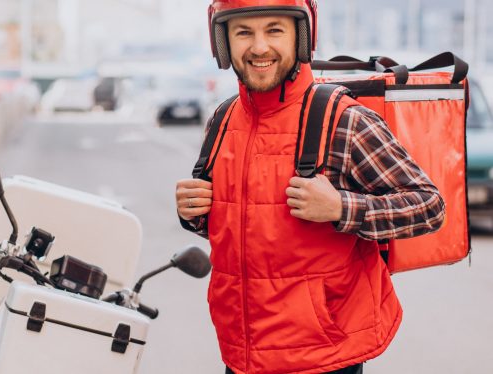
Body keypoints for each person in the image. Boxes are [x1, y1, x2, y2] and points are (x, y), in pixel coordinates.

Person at [175, 1, 445, 373]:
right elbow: (241, 229)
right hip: (241, 354)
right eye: (243, 32)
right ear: (222, 42)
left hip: (324, 357)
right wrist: (193, 213)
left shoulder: (344, 121)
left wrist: (341, 208)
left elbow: (429, 206)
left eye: (274, 30)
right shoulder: (222, 120)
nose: (258, 47)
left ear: (301, 37)